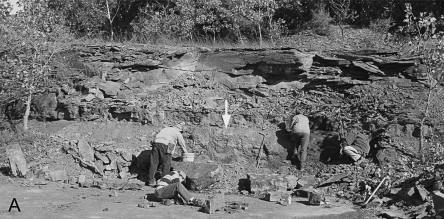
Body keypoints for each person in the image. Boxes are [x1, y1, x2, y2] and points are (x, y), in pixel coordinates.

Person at [148, 122, 189, 186]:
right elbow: (182, 144)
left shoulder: (165, 129)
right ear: (181, 130)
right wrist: (186, 153)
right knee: (166, 164)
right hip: (167, 144)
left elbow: (155, 136)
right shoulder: (177, 132)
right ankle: (164, 182)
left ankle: (151, 181)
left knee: (154, 163)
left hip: (156, 143)